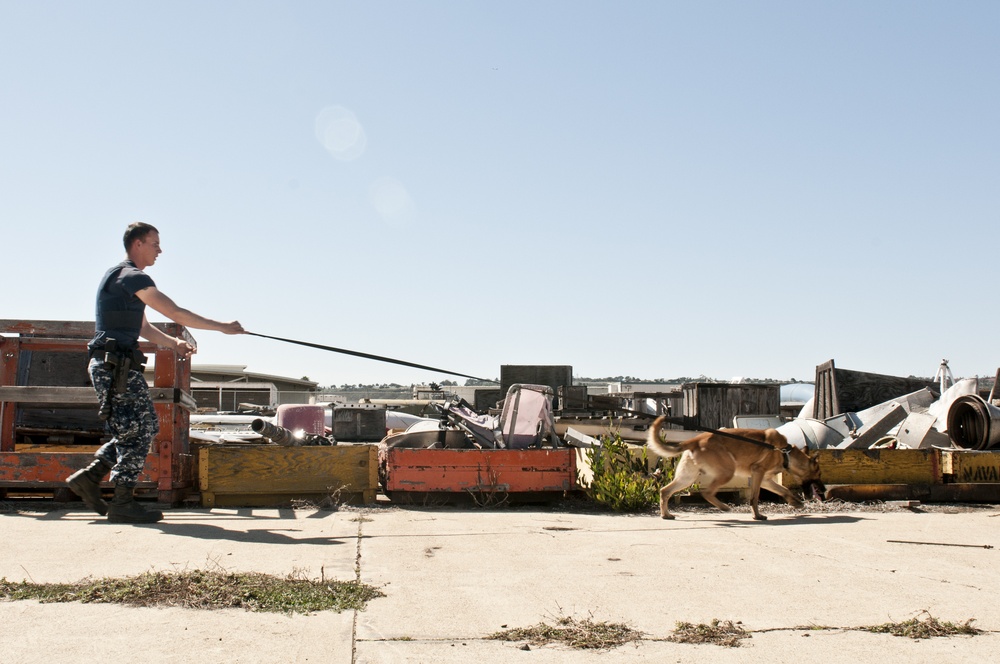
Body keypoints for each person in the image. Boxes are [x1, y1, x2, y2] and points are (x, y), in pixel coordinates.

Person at [66, 222, 244, 523]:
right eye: (155, 243)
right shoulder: (131, 276)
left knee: (143, 426)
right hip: (113, 367)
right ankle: (121, 501)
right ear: (138, 244)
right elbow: (174, 312)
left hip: (119, 365)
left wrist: (173, 343)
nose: (160, 250)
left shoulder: (122, 279)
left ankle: (91, 477)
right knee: (135, 431)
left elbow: (143, 327)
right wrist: (222, 327)